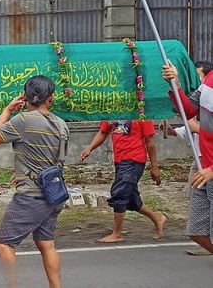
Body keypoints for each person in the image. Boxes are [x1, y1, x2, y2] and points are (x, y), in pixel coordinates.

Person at [0, 75, 69, 288]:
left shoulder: (23, 120)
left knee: (4, 243)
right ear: (50, 98)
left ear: (26, 97)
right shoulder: (62, 125)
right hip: (54, 194)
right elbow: (50, 160)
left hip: (32, 196)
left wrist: (7, 110)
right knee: (46, 243)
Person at [79, 119, 167, 243]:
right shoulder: (111, 111)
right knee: (131, 199)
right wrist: (89, 148)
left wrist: (154, 166)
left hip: (134, 160)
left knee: (119, 193)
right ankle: (157, 217)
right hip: (120, 161)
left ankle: (117, 234)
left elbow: (149, 141)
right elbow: (103, 132)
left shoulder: (141, 114)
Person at [162, 61, 213, 256]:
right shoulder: (208, 81)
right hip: (203, 168)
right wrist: (174, 83)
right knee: (196, 231)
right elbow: (188, 110)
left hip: (210, 170)